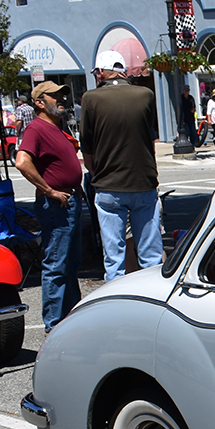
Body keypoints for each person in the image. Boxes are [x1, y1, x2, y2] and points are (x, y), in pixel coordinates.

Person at [80, 49, 162, 281]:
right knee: (150, 256)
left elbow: (87, 147)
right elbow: (150, 139)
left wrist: (97, 174)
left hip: (109, 183)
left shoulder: (91, 99)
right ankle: (152, 300)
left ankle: (115, 306)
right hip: (143, 180)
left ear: (103, 72)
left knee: (114, 258)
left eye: (97, 72)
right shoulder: (145, 95)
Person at [14, 81, 85, 333]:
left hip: (70, 201)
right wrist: (49, 190)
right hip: (57, 204)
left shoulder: (57, 127)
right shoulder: (36, 128)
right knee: (56, 263)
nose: (61, 99)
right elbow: (22, 162)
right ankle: (54, 325)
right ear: (39, 102)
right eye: (54, 96)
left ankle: (71, 317)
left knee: (70, 263)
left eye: (62, 95)